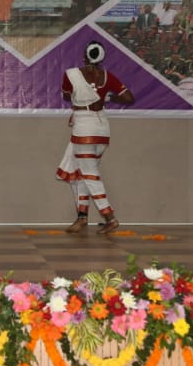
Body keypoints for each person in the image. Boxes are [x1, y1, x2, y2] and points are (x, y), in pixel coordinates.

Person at [55, 41, 135, 236]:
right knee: (80, 172)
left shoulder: (71, 74)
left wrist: (82, 96)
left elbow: (66, 96)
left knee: (89, 174)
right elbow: (128, 98)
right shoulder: (107, 76)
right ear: (101, 58)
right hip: (101, 129)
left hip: (84, 128)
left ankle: (110, 217)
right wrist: (108, 98)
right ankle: (82, 217)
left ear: (84, 55)